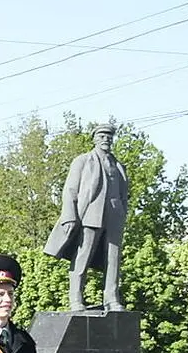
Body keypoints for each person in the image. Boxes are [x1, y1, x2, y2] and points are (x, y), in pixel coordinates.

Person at [42, 123, 129, 311]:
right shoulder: (83, 160)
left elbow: (123, 194)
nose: (106, 139)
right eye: (102, 136)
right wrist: (69, 215)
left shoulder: (119, 165)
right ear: (95, 139)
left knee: (113, 259)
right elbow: (70, 190)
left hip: (114, 216)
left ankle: (112, 299)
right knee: (83, 256)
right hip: (91, 214)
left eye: (109, 136)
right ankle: (75, 299)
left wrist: (122, 213)